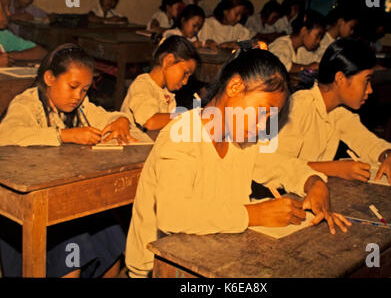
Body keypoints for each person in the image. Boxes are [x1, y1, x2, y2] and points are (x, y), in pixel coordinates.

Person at [125, 48, 351, 278]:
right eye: (262, 113)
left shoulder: (241, 138)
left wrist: (312, 182)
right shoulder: (182, 134)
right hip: (160, 268)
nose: (264, 126)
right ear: (234, 87)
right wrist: (255, 214)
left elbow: (279, 165)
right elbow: (172, 214)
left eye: (270, 119)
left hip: (214, 255)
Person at [0, 43, 135, 277]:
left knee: (113, 239)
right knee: (72, 252)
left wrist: (121, 120)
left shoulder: (80, 106)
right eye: (73, 87)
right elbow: (7, 134)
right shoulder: (27, 104)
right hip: (29, 207)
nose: (78, 96)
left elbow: (107, 115)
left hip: (67, 200)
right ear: (50, 78)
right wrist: (65, 135)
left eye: (84, 90)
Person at [276, 38, 391, 190]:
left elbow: (368, 142)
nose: (370, 90)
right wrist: (336, 168)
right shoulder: (297, 108)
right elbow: (276, 165)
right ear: (340, 78)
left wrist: (389, 155)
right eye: (366, 81)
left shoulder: (338, 113)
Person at [121, 35, 200, 131]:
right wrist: (188, 117)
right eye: (185, 73)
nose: (185, 82)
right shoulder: (142, 85)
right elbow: (150, 122)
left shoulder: (167, 93)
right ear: (168, 61)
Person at [0, 0, 47, 65]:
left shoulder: (3, 35)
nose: (9, 13)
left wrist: (8, 56)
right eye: (3, 7)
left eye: (8, 7)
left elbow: (41, 52)